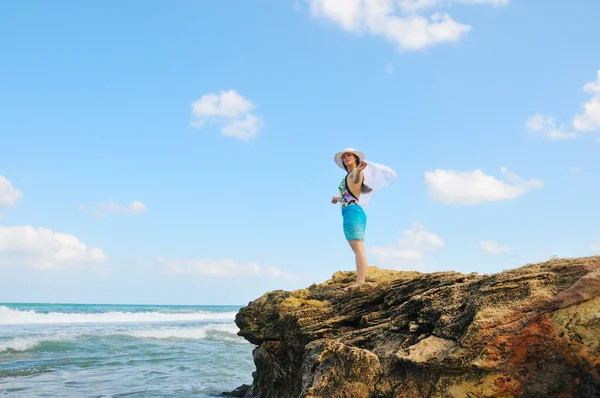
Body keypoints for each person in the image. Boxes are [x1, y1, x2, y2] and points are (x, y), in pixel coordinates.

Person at [331, 148, 396, 291]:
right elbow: (349, 192)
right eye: (344, 156)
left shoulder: (355, 173)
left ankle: (360, 281)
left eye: (349, 155)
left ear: (355, 158)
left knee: (358, 249)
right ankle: (360, 279)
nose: (346, 157)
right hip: (349, 212)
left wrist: (359, 170)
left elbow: (356, 179)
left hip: (353, 212)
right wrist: (337, 198)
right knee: (356, 248)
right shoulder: (347, 176)